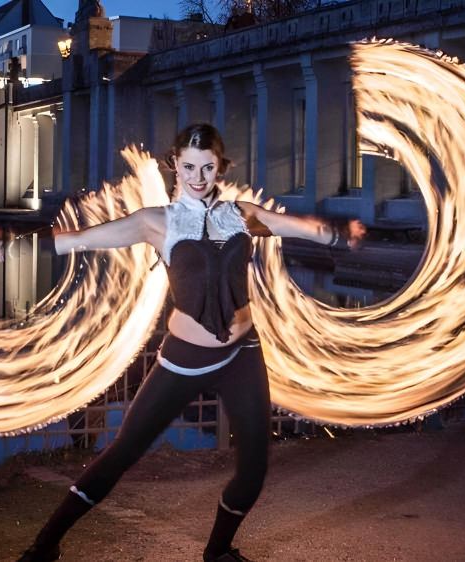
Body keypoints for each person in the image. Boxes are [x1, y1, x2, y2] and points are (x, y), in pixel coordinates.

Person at [18, 123, 365, 562]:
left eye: (208, 167)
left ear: (220, 167)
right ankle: (44, 547)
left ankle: (217, 552)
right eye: (189, 167)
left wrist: (339, 234)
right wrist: (17, 243)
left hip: (243, 352)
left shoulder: (241, 214)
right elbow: (83, 239)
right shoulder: (156, 222)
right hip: (184, 359)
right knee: (122, 454)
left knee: (254, 468)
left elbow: (297, 227)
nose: (198, 177)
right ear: (174, 167)